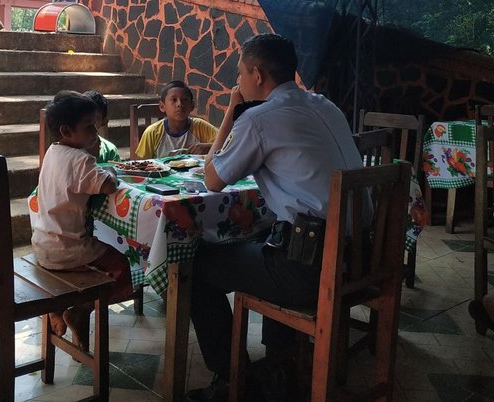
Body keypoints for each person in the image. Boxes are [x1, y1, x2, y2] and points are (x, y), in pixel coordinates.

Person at [186, 33, 364, 402]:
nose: (238, 82)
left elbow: (212, 178)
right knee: (268, 241)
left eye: (240, 74)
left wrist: (233, 112)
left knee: (198, 263)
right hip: (360, 258)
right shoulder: (325, 106)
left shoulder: (261, 118)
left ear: (258, 74)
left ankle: (231, 380)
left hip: (312, 268)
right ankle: (281, 369)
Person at [31, 90, 134, 350]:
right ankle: (81, 309)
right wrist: (108, 169)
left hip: (43, 246)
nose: (95, 133)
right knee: (125, 268)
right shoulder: (82, 160)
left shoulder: (53, 153)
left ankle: (58, 305)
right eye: (89, 128)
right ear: (66, 131)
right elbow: (108, 186)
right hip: (69, 250)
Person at [134, 80, 218, 159]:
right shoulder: (152, 132)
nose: (180, 104)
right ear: (162, 106)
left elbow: (228, 144)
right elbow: (141, 164)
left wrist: (208, 147)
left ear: (192, 106)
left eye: (185, 100)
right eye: (174, 100)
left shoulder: (200, 127)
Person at [82, 89, 122, 163]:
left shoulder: (110, 150)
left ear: (104, 122)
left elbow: (118, 173)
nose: (86, 123)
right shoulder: (70, 150)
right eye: (82, 118)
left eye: (93, 120)